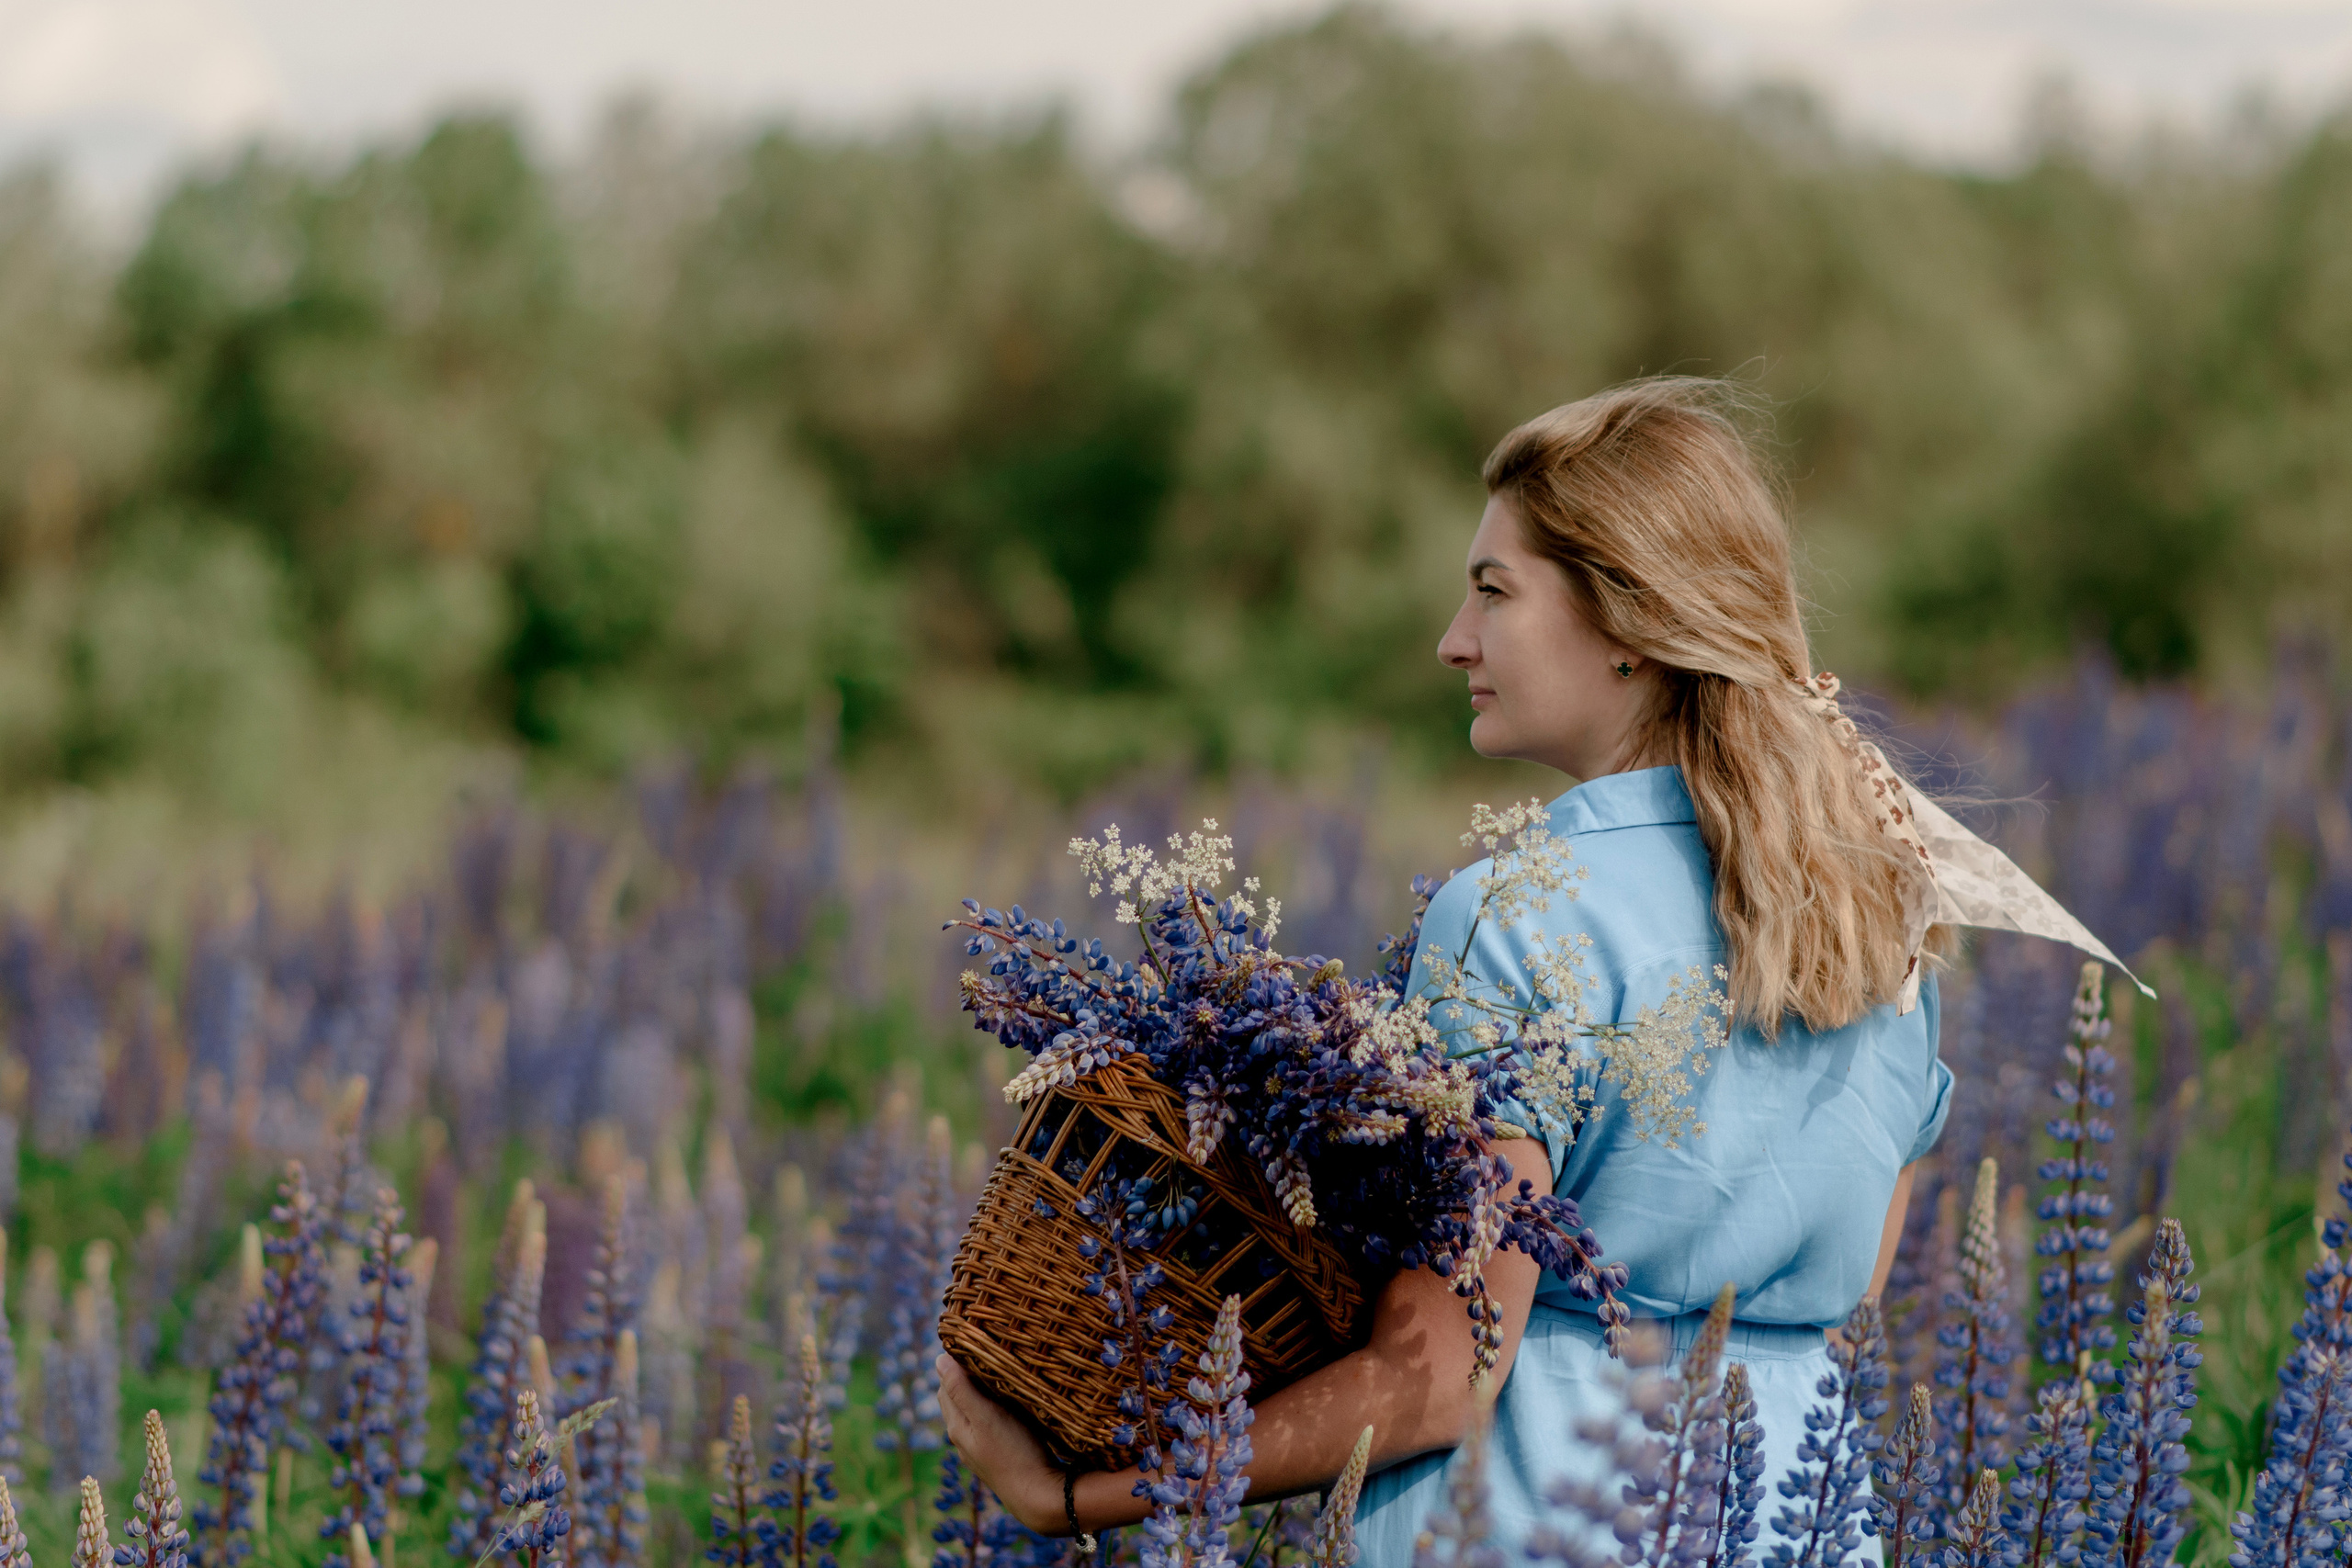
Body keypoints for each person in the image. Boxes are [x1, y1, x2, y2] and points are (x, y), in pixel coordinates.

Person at [936, 378, 2089, 1562]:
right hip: (1791, 1516)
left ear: (1633, 620)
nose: (1454, 639)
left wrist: (1080, 1497)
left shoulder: (1517, 919)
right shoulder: (1878, 917)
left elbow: (1437, 1379)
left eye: (1494, 591)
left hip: (1539, 1516)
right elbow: (1837, 1295)